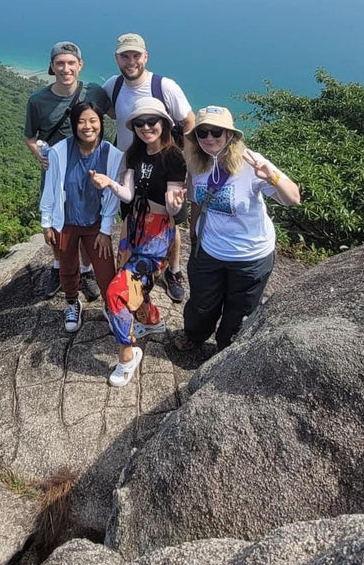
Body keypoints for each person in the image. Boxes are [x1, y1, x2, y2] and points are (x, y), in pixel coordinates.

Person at [174, 106, 301, 353]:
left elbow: (293, 198)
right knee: (201, 304)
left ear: (230, 135)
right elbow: (198, 201)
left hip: (250, 255)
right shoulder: (196, 163)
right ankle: (195, 336)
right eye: (203, 133)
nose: (210, 138)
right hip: (209, 249)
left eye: (216, 132)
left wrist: (271, 177)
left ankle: (225, 350)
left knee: (239, 311)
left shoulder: (252, 163)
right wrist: (193, 233)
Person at [89, 96, 188, 387]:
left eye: (152, 122)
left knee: (118, 293)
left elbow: (172, 205)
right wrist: (110, 184)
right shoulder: (133, 154)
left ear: (164, 124)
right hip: (133, 227)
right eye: (140, 123)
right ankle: (150, 320)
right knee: (135, 283)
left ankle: (127, 355)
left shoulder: (174, 158)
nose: (146, 127)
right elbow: (129, 195)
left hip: (157, 234)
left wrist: (174, 202)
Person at [101, 34, 195, 304]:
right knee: (131, 216)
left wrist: (186, 164)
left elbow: (188, 122)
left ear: (146, 57)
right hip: (130, 165)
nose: (131, 61)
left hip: (165, 165)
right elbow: (110, 113)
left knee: (171, 220)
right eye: (125, 56)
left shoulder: (163, 86)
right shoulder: (113, 86)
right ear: (117, 58)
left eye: (136, 55)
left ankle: (173, 271)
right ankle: (133, 268)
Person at [24, 41, 111, 299]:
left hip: (88, 170)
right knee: (55, 220)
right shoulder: (38, 101)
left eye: (71, 63)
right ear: (51, 66)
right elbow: (30, 136)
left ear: (80, 65)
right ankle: (58, 266)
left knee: (86, 219)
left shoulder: (94, 92)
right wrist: (39, 156)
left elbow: (118, 113)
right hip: (56, 172)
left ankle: (85, 270)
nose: (66, 68)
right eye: (60, 63)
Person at [40, 101, 123, 333]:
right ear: (74, 125)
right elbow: (50, 188)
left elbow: (112, 197)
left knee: (106, 271)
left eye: (93, 121)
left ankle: (110, 306)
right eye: (81, 121)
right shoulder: (59, 151)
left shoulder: (112, 155)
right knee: (67, 267)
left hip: (95, 223)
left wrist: (106, 230)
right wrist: (46, 223)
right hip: (65, 222)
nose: (87, 126)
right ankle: (71, 302)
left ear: (101, 123)